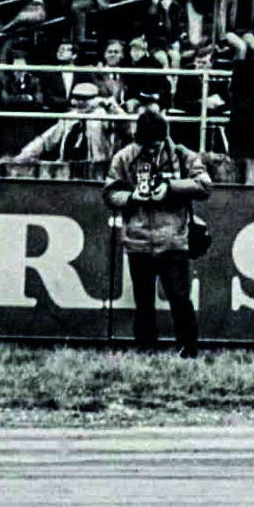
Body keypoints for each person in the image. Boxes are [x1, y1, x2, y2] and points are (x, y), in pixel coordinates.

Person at [103, 97, 210, 357]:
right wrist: (131, 198)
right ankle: (146, 348)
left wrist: (171, 187)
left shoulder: (182, 155)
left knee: (180, 299)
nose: (151, 151)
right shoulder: (124, 157)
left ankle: (188, 349)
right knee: (143, 302)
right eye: (146, 146)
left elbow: (205, 186)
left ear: (165, 138)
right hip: (138, 240)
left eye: (156, 146)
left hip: (173, 239)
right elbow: (109, 193)